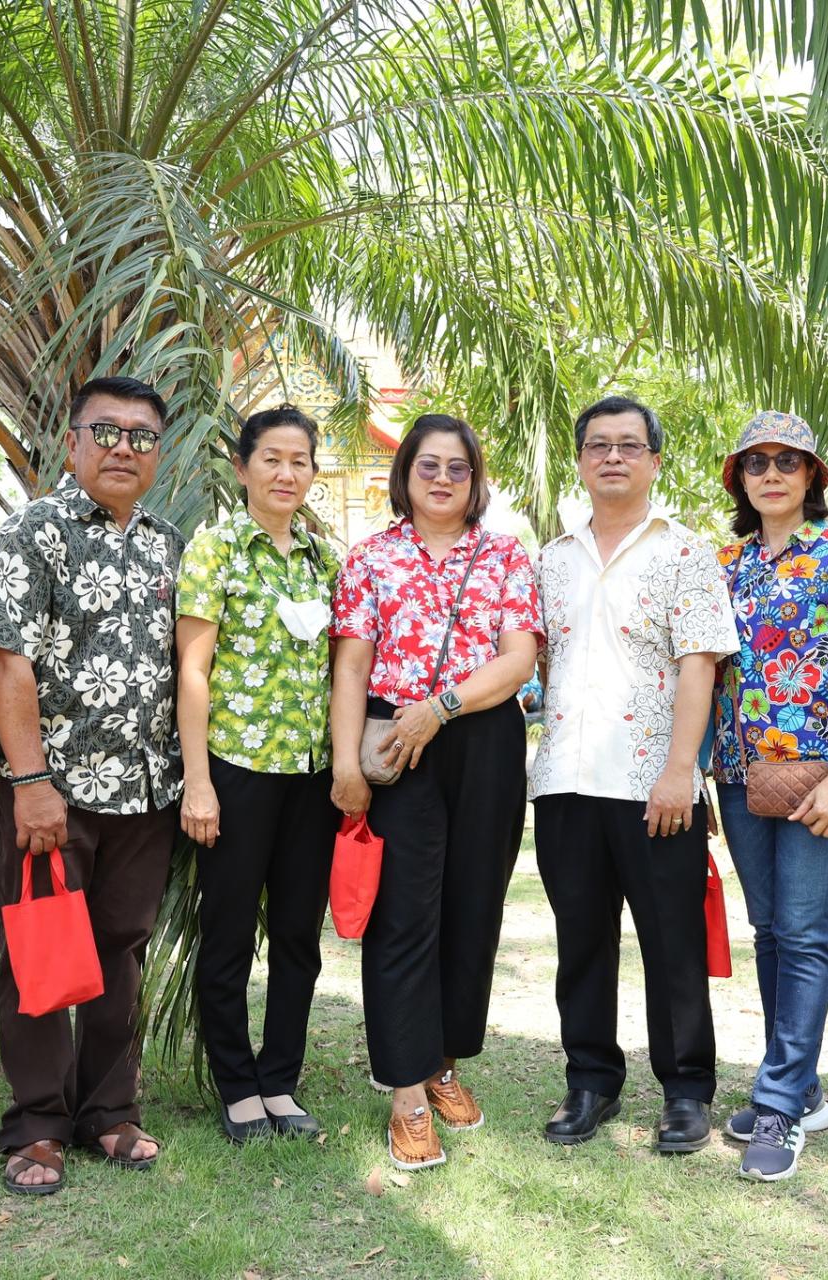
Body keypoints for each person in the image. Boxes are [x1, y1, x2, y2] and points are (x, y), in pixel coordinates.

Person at [0, 374, 185, 1195]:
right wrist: (31, 781)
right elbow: (6, 661)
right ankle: (36, 1124)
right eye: (107, 431)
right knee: (36, 952)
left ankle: (109, 1111)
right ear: (72, 442)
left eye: (142, 436)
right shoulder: (35, 531)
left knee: (120, 950)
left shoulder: (167, 543)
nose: (124, 447)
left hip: (145, 792)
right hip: (51, 789)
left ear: (158, 452)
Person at [329, 414, 540, 1171]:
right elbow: (352, 667)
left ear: (475, 479)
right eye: (429, 465)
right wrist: (346, 766)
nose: (444, 479)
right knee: (403, 918)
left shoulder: (506, 555)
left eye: (458, 467)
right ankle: (407, 1096)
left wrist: (441, 708)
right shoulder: (370, 558)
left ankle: (444, 1062)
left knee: (472, 911)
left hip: (483, 741)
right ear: (406, 475)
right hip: (393, 745)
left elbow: (518, 660)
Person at [530, 395, 739, 1155]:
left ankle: (685, 1091)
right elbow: (539, 660)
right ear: (581, 461)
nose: (612, 456)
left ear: (654, 461)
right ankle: (590, 1080)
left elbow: (700, 665)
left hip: (654, 784)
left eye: (628, 445)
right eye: (598, 445)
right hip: (564, 781)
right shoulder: (551, 559)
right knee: (581, 942)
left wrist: (682, 770)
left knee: (672, 945)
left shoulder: (684, 553)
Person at [709, 411, 828, 1181]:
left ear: (813, 475)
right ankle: (800, 1086)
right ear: (740, 479)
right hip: (739, 773)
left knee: (804, 931)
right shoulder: (725, 564)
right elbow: (706, 671)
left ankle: (780, 1106)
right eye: (756, 463)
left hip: (823, 773)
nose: (772, 474)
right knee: (770, 933)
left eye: (788, 461)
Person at [177, 406, 343, 1144]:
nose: (286, 473)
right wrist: (199, 781)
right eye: (271, 458)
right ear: (242, 467)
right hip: (236, 769)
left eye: (300, 460)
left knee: (299, 938)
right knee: (229, 933)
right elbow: (193, 671)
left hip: (310, 776)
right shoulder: (215, 549)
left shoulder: (322, 559)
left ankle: (280, 1080)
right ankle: (237, 1086)